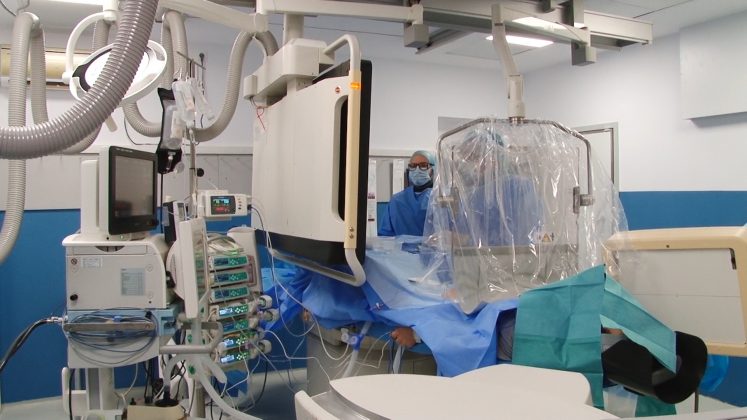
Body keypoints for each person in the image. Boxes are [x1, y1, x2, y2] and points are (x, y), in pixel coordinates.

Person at [378, 150, 435, 237]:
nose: (417, 170)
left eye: (423, 165)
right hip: (400, 247)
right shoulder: (397, 200)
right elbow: (385, 236)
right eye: (413, 166)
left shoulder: (439, 200)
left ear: (433, 169)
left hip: (432, 246)